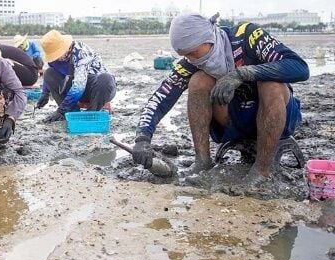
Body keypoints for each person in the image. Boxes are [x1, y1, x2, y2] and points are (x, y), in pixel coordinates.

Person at [132, 13, 309, 186]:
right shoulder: (192, 62)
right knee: (199, 81)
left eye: (194, 52)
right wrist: (142, 137)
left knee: (271, 85)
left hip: (279, 118)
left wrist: (244, 73)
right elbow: (161, 96)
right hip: (235, 123)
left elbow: (300, 68)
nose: (192, 60)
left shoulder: (248, 37)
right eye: (186, 56)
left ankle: (262, 170)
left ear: (209, 39)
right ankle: (202, 161)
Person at [36, 30, 116, 122]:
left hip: (98, 88)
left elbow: (79, 86)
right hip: (78, 88)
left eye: (57, 54)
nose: (56, 58)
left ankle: (92, 113)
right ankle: (72, 111)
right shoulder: (55, 60)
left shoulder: (80, 52)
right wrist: (45, 93)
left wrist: (61, 110)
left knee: (106, 79)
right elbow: (50, 76)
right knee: (49, 73)